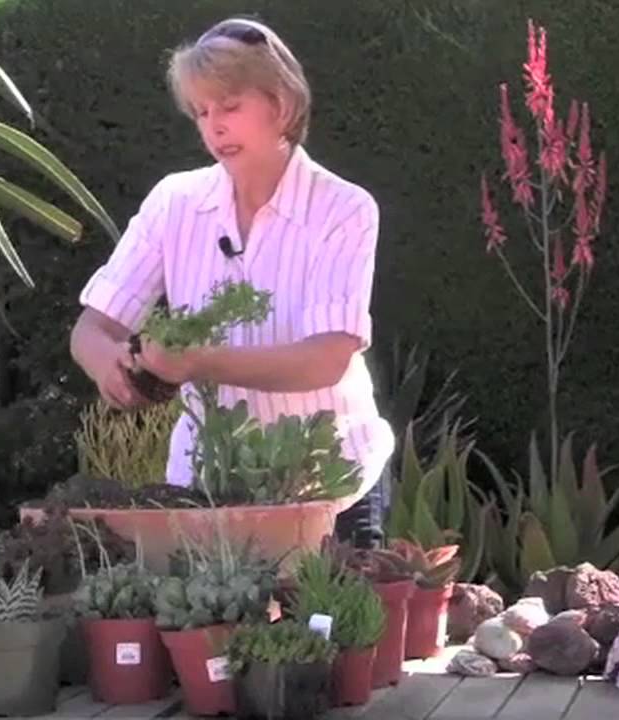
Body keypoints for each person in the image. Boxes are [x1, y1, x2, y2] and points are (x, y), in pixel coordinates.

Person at [69, 16, 394, 548]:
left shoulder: (344, 209)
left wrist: (199, 361)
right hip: (206, 485)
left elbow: (326, 359)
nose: (214, 127)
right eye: (201, 112)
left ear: (281, 105)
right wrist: (110, 366)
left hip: (329, 484)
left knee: (331, 605)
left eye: (229, 106)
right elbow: (91, 328)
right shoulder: (174, 202)